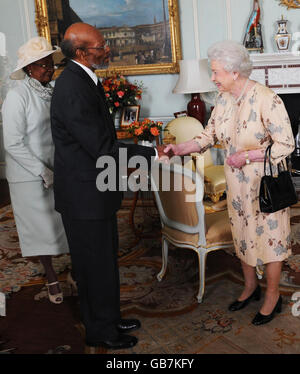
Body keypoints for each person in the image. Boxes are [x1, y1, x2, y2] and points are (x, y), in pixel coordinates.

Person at [163, 40, 295, 326]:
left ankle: (273, 294)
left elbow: (286, 145)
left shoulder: (266, 98)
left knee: (271, 241)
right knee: (243, 236)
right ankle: (250, 287)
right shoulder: (223, 99)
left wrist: (246, 156)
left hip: (266, 183)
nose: (212, 78)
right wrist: (179, 148)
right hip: (237, 185)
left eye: (216, 72)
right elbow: (208, 136)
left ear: (234, 72)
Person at [50, 23, 164, 350]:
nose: (107, 48)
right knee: (93, 267)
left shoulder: (85, 79)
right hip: (84, 197)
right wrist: (153, 152)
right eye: (101, 45)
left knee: (105, 262)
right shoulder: (71, 86)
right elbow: (103, 148)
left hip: (96, 192)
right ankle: (101, 331)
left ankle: (110, 317)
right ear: (82, 52)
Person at [2, 37, 69, 304]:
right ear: (29, 68)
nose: (49, 69)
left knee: (63, 223)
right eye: (42, 65)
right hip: (29, 176)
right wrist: (42, 170)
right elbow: (12, 143)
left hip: (56, 168)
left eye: (50, 63)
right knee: (40, 229)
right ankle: (51, 276)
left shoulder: (50, 90)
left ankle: (74, 269)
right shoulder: (17, 96)